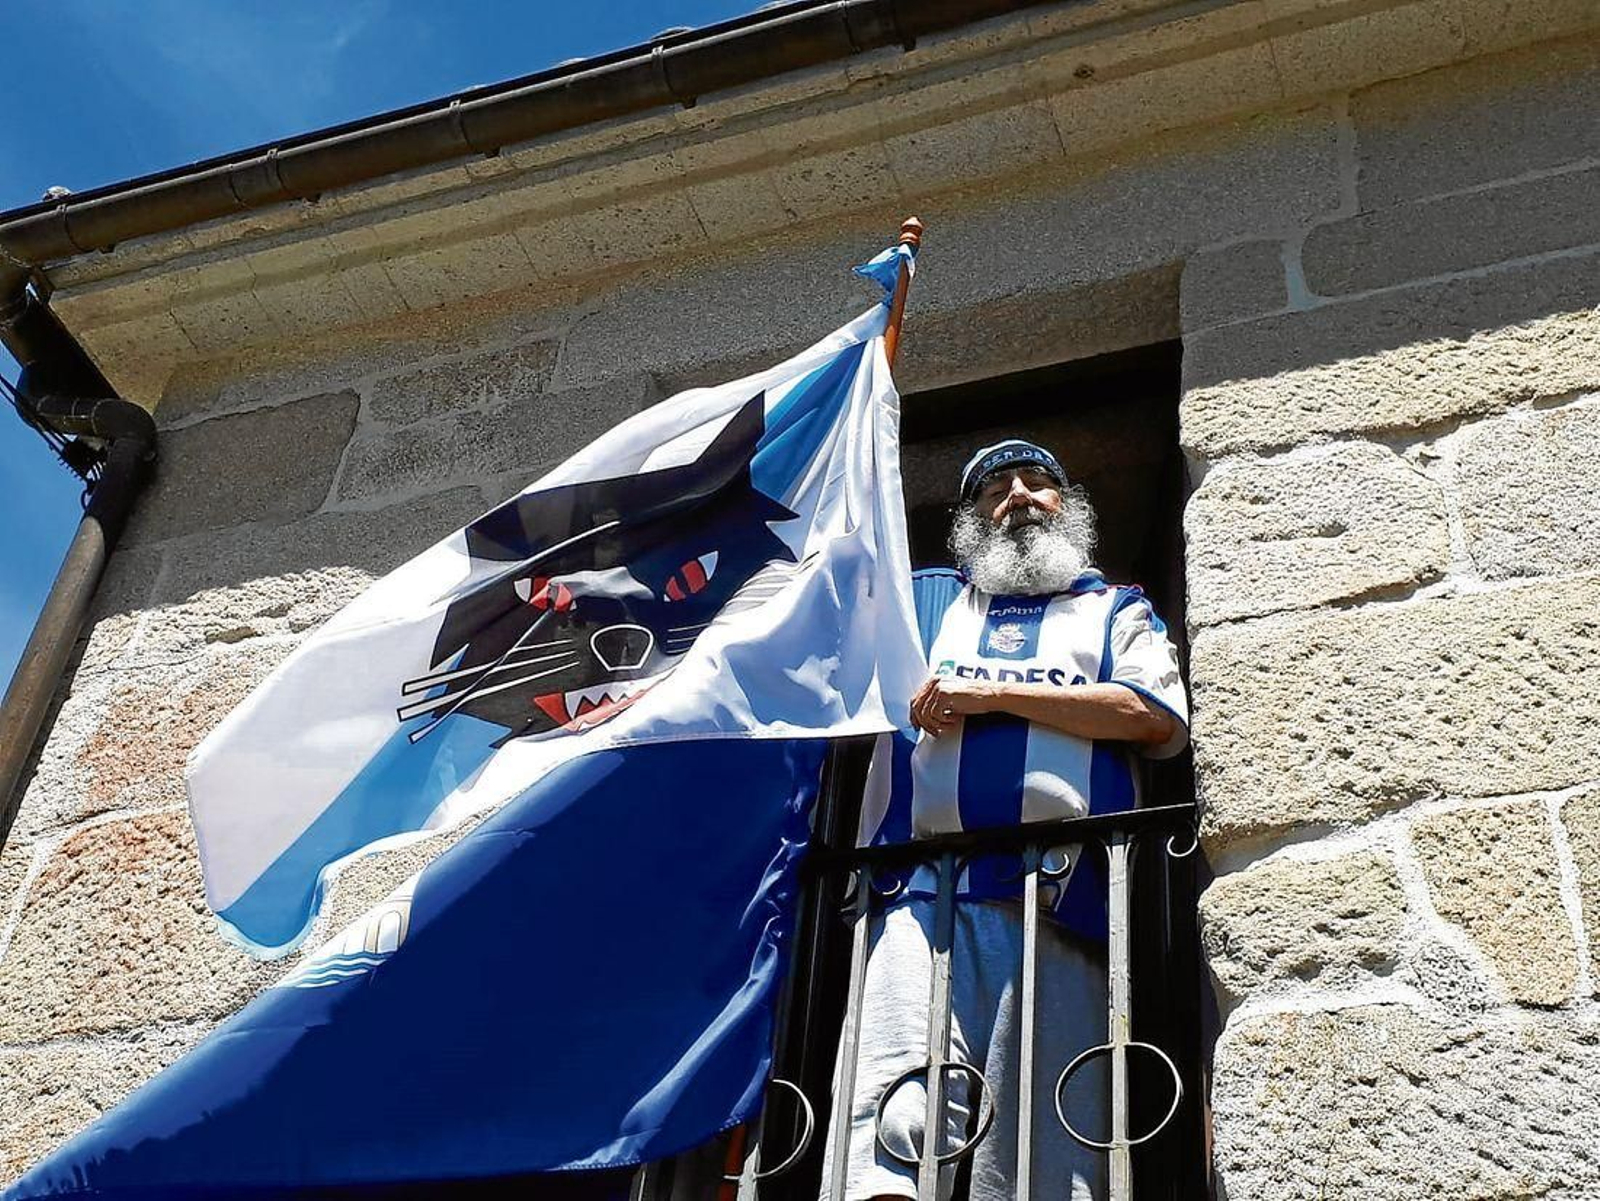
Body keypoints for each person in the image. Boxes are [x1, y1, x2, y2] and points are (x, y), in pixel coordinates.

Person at [825, 439, 1189, 1201]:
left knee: (1043, 1161)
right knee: (891, 1128)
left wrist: (989, 695)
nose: (1017, 495)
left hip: (1064, 902)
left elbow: (1151, 715)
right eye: (994, 488)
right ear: (968, 521)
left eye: (1037, 482)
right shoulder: (926, 608)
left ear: (1070, 504)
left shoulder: (1115, 608)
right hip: (924, 899)